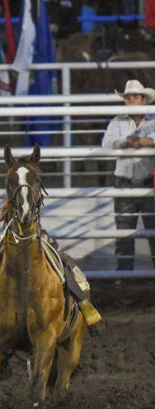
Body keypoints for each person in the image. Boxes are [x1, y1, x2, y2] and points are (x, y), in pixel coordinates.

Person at [101, 79, 155, 271]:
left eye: (135, 96)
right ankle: (124, 277)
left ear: (143, 99)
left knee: (153, 231)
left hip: (149, 183)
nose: (132, 100)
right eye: (129, 97)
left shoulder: (153, 119)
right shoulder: (117, 121)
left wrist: (148, 141)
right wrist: (126, 140)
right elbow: (106, 144)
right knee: (124, 233)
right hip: (125, 182)